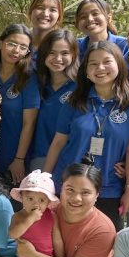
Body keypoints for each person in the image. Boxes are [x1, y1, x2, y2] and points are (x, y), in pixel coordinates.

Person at [43, 41, 129, 230]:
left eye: (107, 61)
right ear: (86, 71)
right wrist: (45, 181)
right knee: (60, 240)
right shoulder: (75, 100)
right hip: (68, 184)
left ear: (119, 65)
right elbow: (58, 142)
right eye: (93, 64)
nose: (100, 68)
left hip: (109, 186)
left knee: (103, 241)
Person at [0, 24, 40, 185]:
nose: (16, 50)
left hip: (13, 156)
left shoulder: (28, 80)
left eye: (23, 47)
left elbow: (29, 124)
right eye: (12, 44)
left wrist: (19, 159)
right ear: (1, 44)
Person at [30, 29, 78, 172]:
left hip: (69, 159)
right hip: (37, 157)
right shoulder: (35, 83)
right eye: (52, 53)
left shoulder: (81, 87)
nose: (58, 59)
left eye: (64, 53)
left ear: (73, 55)